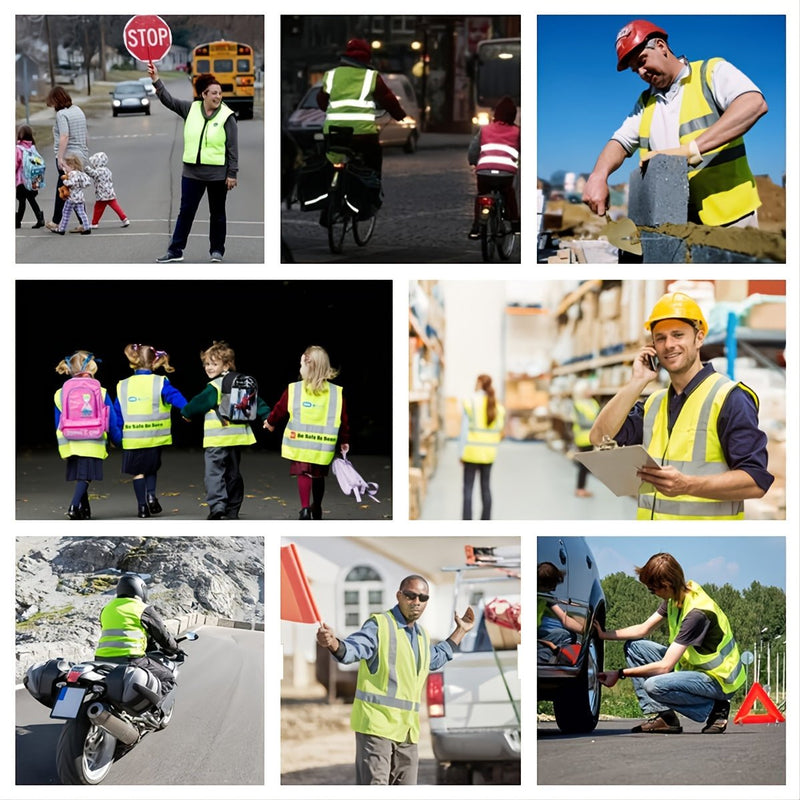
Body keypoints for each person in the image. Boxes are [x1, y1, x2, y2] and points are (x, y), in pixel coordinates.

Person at [589, 291, 773, 519]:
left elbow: (755, 481)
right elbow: (599, 436)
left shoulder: (729, 397)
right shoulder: (654, 404)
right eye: (660, 338)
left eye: (678, 335)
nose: (669, 345)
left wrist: (687, 485)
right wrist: (637, 381)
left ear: (699, 338)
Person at [582, 19, 768, 228]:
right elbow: (620, 142)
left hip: (730, 216)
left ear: (661, 46)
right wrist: (598, 175)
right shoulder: (645, 103)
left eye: (642, 61)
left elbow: (753, 104)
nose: (642, 73)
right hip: (674, 221)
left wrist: (689, 150)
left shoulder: (710, 73)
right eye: (636, 70)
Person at [316, 574, 475, 785]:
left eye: (423, 598)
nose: (416, 602)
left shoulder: (421, 635)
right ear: (399, 595)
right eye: (410, 596)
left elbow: (434, 659)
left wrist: (460, 631)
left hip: (407, 732)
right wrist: (333, 643)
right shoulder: (379, 625)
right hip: (376, 728)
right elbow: (352, 650)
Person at [595, 552, 745, 734]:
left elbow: (665, 667)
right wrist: (604, 634)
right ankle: (666, 718)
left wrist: (619, 674)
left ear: (666, 585)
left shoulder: (696, 614)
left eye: (652, 589)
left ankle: (715, 708)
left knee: (653, 685)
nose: (652, 593)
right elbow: (644, 629)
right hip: (694, 670)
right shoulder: (676, 597)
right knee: (635, 647)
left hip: (718, 681)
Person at [147, 62, 238, 264]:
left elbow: (233, 148)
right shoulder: (191, 109)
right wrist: (156, 79)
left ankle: (217, 250)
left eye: (220, 93)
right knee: (186, 212)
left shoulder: (227, 116)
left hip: (217, 175)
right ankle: (175, 250)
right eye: (213, 93)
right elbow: (168, 100)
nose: (217, 97)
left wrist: (232, 173)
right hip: (192, 173)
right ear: (203, 94)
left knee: (217, 213)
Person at [180, 340, 270, 520]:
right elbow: (257, 402)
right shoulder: (241, 382)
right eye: (206, 364)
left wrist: (186, 412)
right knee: (233, 473)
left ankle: (218, 507)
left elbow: (198, 402)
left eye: (214, 363)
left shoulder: (214, 387)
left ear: (227, 364)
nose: (209, 367)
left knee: (214, 473)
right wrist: (267, 416)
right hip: (236, 439)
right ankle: (233, 509)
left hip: (217, 439)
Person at [264, 346, 349, 519]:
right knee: (318, 476)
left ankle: (304, 508)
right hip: (322, 446)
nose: (299, 368)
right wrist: (344, 441)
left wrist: (270, 423)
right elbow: (343, 419)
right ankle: (316, 506)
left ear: (308, 366)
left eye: (301, 364)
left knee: (304, 474)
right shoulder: (335, 393)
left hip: (300, 444)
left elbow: (279, 409)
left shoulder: (294, 389)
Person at [114, 344, 188, 519]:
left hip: (132, 439)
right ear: (154, 362)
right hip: (154, 438)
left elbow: (117, 412)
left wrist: (116, 436)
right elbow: (175, 397)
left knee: (137, 472)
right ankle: (151, 495)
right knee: (151, 468)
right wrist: (187, 410)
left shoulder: (123, 385)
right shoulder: (160, 382)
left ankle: (142, 507)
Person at [317, 38, 407, 178]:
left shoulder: (332, 75)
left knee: (326, 161)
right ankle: (373, 193)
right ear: (367, 57)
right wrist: (399, 114)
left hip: (333, 132)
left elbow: (322, 102)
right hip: (363, 135)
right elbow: (387, 99)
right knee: (373, 159)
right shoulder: (371, 76)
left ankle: (329, 187)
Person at [54, 351, 121, 520]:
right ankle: (73, 505)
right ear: (92, 368)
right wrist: (118, 440)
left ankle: (84, 510)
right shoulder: (101, 391)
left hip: (69, 441)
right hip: (92, 440)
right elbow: (111, 421)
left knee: (80, 475)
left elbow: (58, 422)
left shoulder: (59, 393)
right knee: (86, 476)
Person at [95, 574, 181, 703]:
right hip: (131, 659)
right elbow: (163, 636)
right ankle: (150, 708)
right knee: (168, 678)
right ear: (139, 589)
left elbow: (122, 631)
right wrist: (175, 649)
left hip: (100, 659)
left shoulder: (106, 609)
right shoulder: (142, 609)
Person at [467, 95, 520, 239]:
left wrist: (473, 162)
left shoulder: (485, 130)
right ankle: (515, 223)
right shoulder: (517, 131)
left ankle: (476, 227)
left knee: (482, 195)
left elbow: (473, 149)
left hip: (484, 172)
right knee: (509, 193)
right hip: (506, 174)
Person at [459, 374, 505, 520]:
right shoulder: (498, 406)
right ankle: (486, 522)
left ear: (479, 383)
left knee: (468, 490)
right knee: (486, 488)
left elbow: (464, 431)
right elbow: (500, 432)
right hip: (489, 454)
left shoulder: (471, 402)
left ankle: (467, 523)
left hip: (471, 453)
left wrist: (460, 453)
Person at [44, 86, 89, 231]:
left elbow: (64, 136)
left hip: (68, 156)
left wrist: (59, 157)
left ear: (56, 100)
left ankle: (57, 222)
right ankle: (82, 222)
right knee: (72, 189)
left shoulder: (62, 115)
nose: (53, 107)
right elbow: (85, 133)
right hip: (81, 154)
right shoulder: (78, 110)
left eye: (52, 103)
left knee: (63, 188)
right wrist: (85, 151)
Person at [80, 151, 130, 230]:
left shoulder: (99, 171)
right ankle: (124, 219)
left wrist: (86, 168)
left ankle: (94, 223)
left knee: (98, 208)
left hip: (102, 194)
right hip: (110, 192)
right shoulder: (108, 170)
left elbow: (93, 174)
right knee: (116, 207)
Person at [570, 379, 600, 498]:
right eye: (588, 389)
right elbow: (582, 422)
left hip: (593, 437)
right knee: (584, 464)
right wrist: (597, 424)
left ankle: (581, 487)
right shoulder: (578, 404)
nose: (590, 391)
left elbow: (600, 415)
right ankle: (580, 488)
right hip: (583, 438)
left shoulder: (593, 402)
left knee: (587, 464)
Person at [53, 154, 92, 236]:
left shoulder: (72, 174)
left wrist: (65, 182)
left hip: (72, 198)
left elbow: (71, 183)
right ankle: (86, 227)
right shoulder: (79, 173)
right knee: (81, 213)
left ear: (72, 166)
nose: (65, 169)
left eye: (66, 167)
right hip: (79, 197)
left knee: (66, 213)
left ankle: (61, 229)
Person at [15, 125, 45, 229]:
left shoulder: (18, 149)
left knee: (22, 201)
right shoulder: (32, 148)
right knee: (31, 199)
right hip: (34, 178)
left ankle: (17, 221)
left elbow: (15, 164)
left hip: (22, 180)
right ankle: (39, 217)